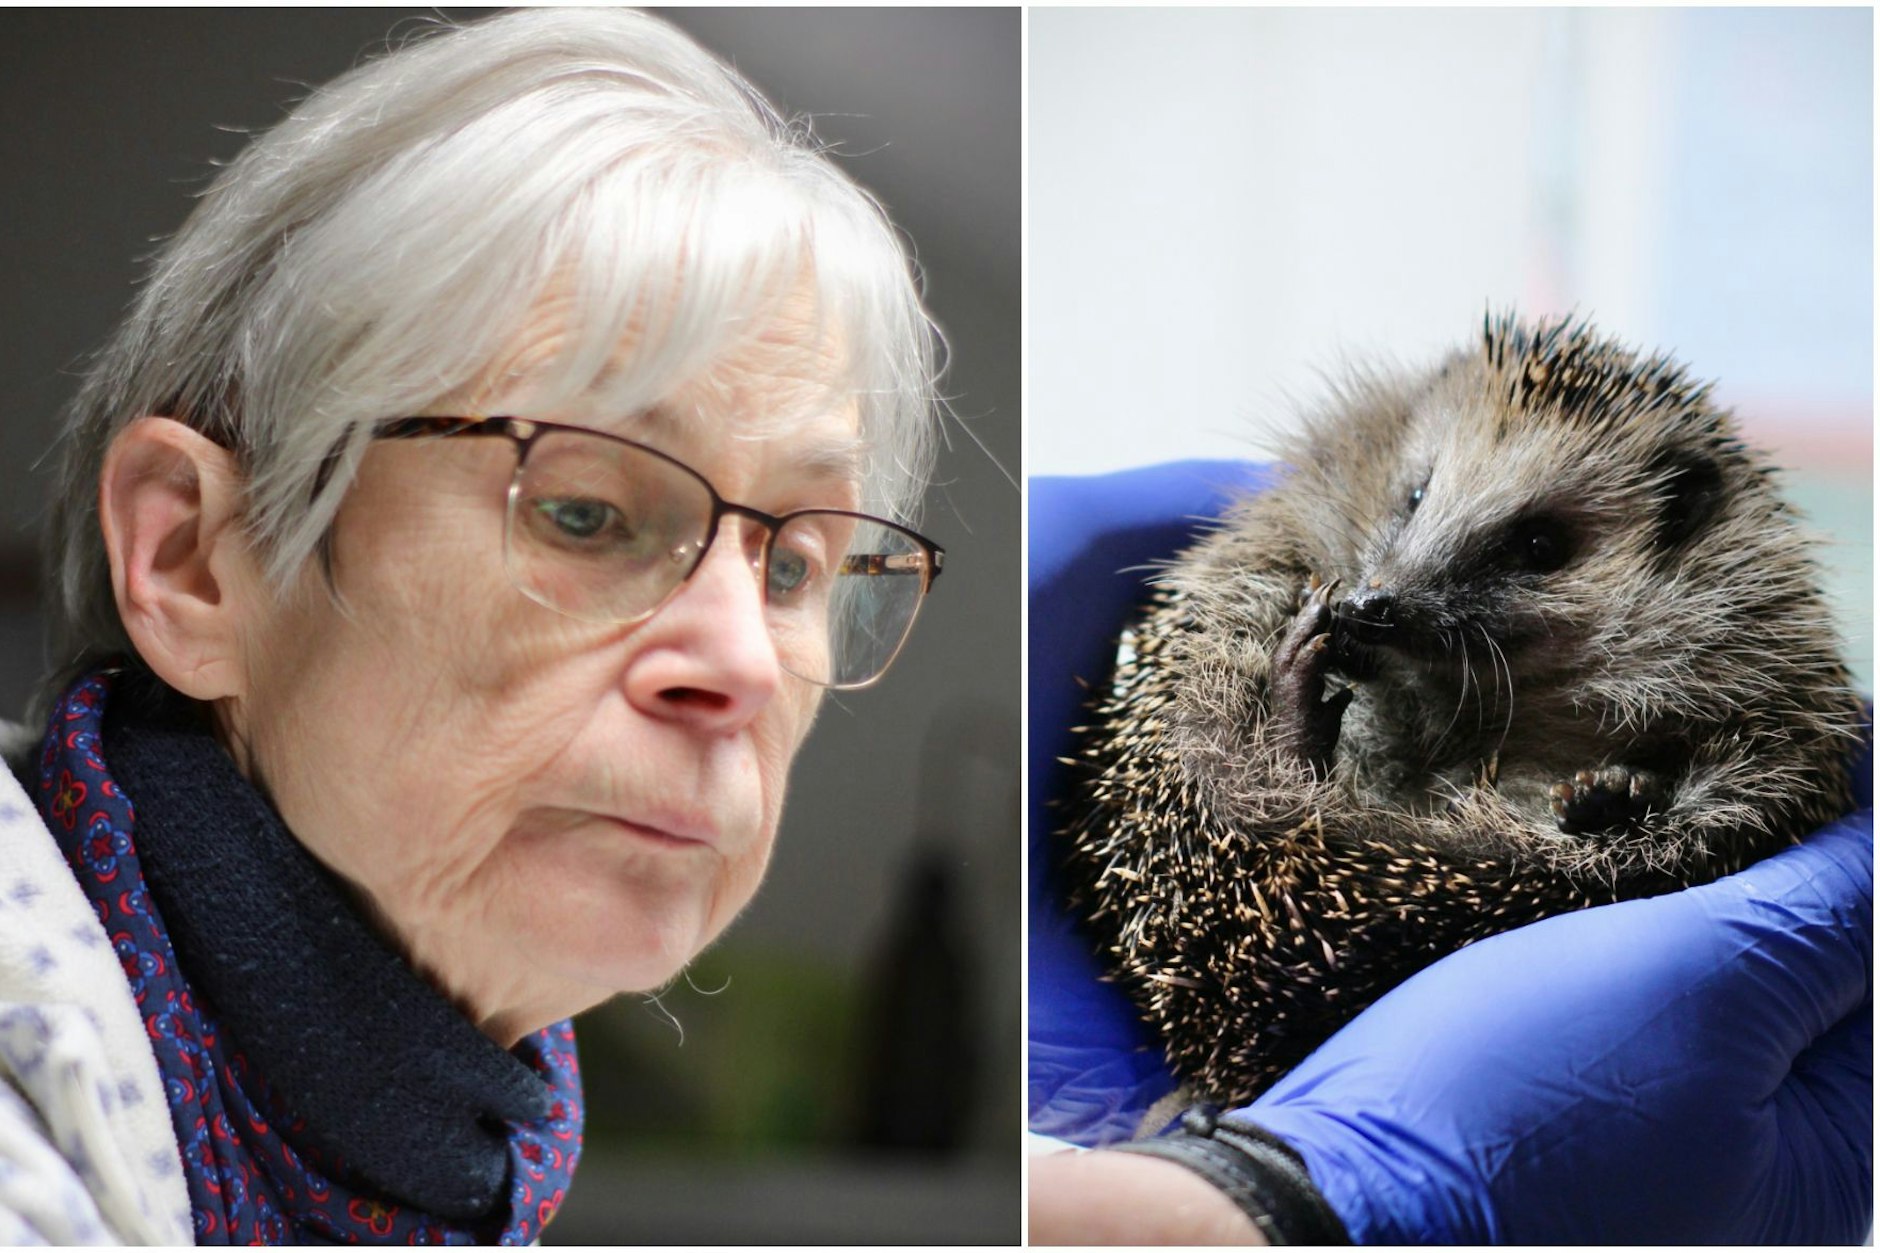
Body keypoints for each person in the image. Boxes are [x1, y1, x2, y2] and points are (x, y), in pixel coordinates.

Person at [1, 9, 951, 1243]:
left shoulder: (445, 1154)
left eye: (794, 566)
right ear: (192, 561)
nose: (739, 662)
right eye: (585, 511)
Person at [1028, 462, 1873, 1245]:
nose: (1388, 583)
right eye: (1418, 500)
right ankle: (1291, 785)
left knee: (1636, 843)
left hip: (1474, 860)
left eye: (1538, 548)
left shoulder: (1718, 672)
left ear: (1683, 526)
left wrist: (1247, 1193)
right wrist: (1289, 1194)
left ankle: (1303, 783)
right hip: (1339, 867)